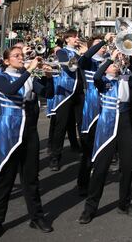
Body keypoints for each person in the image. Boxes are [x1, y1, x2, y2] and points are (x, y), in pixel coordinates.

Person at [0, 48, 54, 239]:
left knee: (31, 178)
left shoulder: (29, 78)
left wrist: (48, 77)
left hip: (29, 132)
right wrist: (29, 71)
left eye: (21, 55)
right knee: (4, 180)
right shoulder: (0, 78)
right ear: (6, 61)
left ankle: (37, 217)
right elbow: (11, 90)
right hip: (7, 132)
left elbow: (48, 94)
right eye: (16, 56)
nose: (21, 58)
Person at [79, 49, 132, 223]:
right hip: (107, 123)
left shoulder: (125, 79)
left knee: (127, 165)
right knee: (101, 169)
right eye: (112, 65)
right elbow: (97, 76)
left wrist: (128, 63)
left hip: (124, 123)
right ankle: (90, 208)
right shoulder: (102, 81)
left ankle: (124, 204)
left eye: (116, 64)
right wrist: (111, 60)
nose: (116, 66)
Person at [76, 34, 113, 196]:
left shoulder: (110, 59)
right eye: (98, 45)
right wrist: (103, 41)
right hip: (93, 103)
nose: (103, 47)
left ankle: (129, 178)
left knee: (113, 142)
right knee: (89, 145)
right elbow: (85, 57)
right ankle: (83, 182)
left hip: (110, 101)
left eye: (103, 45)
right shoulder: (88, 61)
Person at [49, 30, 83, 171]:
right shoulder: (62, 52)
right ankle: (55, 157)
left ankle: (85, 151)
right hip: (66, 93)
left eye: (77, 36)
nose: (77, 39)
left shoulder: (78, 51)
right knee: (61, 126)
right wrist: (81, 54)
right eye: (74, 37)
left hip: (79, 92)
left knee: (82, 123)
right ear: (67, 39)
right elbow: (70, 67)